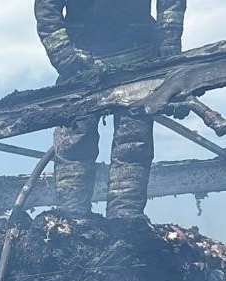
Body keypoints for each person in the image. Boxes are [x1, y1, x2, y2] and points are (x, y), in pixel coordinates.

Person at [34, 0, 187, 219]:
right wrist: (64, 57)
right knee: (76, 143)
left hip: (137, 60)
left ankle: (124, 221)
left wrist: (170, 45)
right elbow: (47, 8)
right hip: (83, 64)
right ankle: (72, 220)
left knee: (131, 145)